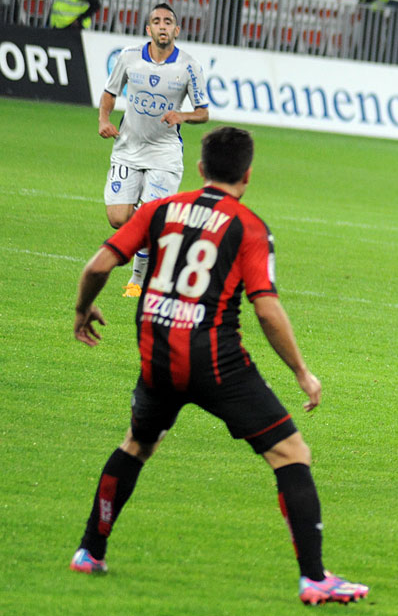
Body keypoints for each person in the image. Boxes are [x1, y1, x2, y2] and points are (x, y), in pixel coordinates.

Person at [68, 126, 370, 607]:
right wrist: (300, 372)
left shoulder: (159, 209)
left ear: (201, 168)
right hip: (217, 362)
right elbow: (266, 309)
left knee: (137, 444)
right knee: (291, 454)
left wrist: (83, 309)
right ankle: (314, 578)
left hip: (157, 357)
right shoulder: (248, 225)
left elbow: (97, 268)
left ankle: (89, 550)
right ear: (247, 175)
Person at [98, 2, 209, 298]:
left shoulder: (189, 66)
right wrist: (104, 120)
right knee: (118, 218)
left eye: (168, 21)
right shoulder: (129, 58)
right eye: (157, 21)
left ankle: (137, 281)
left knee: (149, 214)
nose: (162, 25)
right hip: (128, 148)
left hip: (165, 153)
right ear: (149, 29)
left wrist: (182, 115)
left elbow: (203, 112)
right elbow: (110, 93)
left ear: (176, 29)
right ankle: (166, 233)